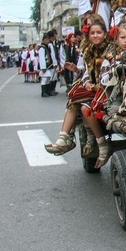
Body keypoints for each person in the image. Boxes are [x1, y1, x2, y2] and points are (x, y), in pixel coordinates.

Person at [45, 14, 112, 168]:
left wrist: (95, 85)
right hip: (93, 87)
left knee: (84, 108)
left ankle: (101, 144)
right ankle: (64, 139)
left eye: (98, 32)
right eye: (92, 32)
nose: (95, 35)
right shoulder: (87, 50)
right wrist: (84, 78)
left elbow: (110, 73)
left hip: (106, 89)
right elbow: (86, 72)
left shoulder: (110, 49)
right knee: (74, 101)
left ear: (105, 33)